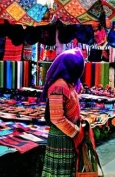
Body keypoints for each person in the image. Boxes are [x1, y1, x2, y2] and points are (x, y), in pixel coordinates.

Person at [41, 48, 85, 177]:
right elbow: (57, 118)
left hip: (66, 136)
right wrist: (76, 133)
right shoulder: (59, 87)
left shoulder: (66, 84)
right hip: (62, 137)